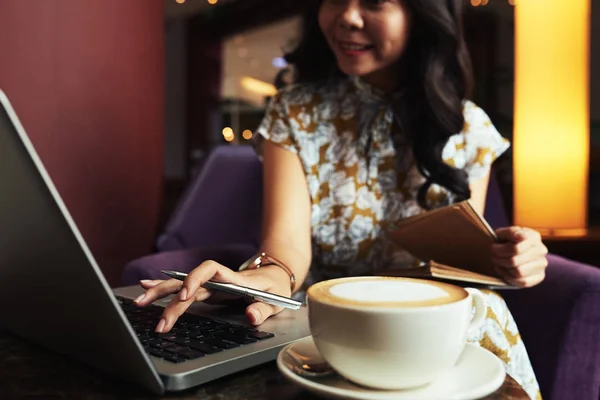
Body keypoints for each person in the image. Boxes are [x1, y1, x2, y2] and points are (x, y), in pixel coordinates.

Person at [136, 0, 548, 398]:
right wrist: (252, 283)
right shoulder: (295, 113)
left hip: (427, 327)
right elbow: (287, 251)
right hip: (328, 325)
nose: (348, 17)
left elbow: (460, 268)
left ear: (420, 13)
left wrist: (512, 258)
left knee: (479, 304)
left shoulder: (468, 127)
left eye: (373, 1)